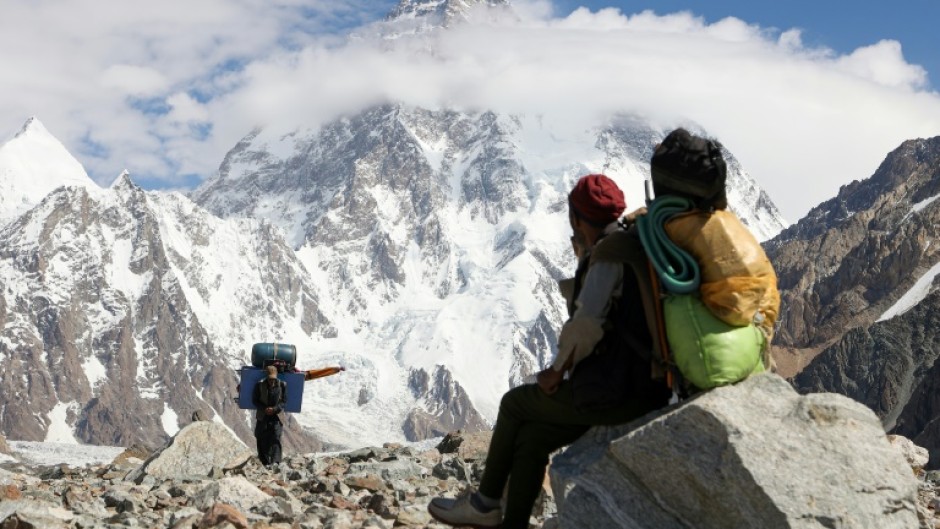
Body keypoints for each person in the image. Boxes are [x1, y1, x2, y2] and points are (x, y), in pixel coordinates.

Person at [428, 174, 671, 529]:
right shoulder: (632, 242)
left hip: (617, 392)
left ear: (577, 217)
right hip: (645, 386)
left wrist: (556, 371)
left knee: (514, 404)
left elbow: (587, 324)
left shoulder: (608, 255)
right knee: (532, 437)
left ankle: (484, 505)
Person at [252, 365, 287, 466]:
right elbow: (255, 400)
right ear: (266, 377)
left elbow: (284, 401)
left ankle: (276, 462)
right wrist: (264, 409)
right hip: (263, 415)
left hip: (277, 416)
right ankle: (265, 462)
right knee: (261, 437)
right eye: (270, 379)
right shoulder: (259, 386)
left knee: (276, 438)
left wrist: (275, 409)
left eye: (273, 379)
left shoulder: (282, 385)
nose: (272, 381)